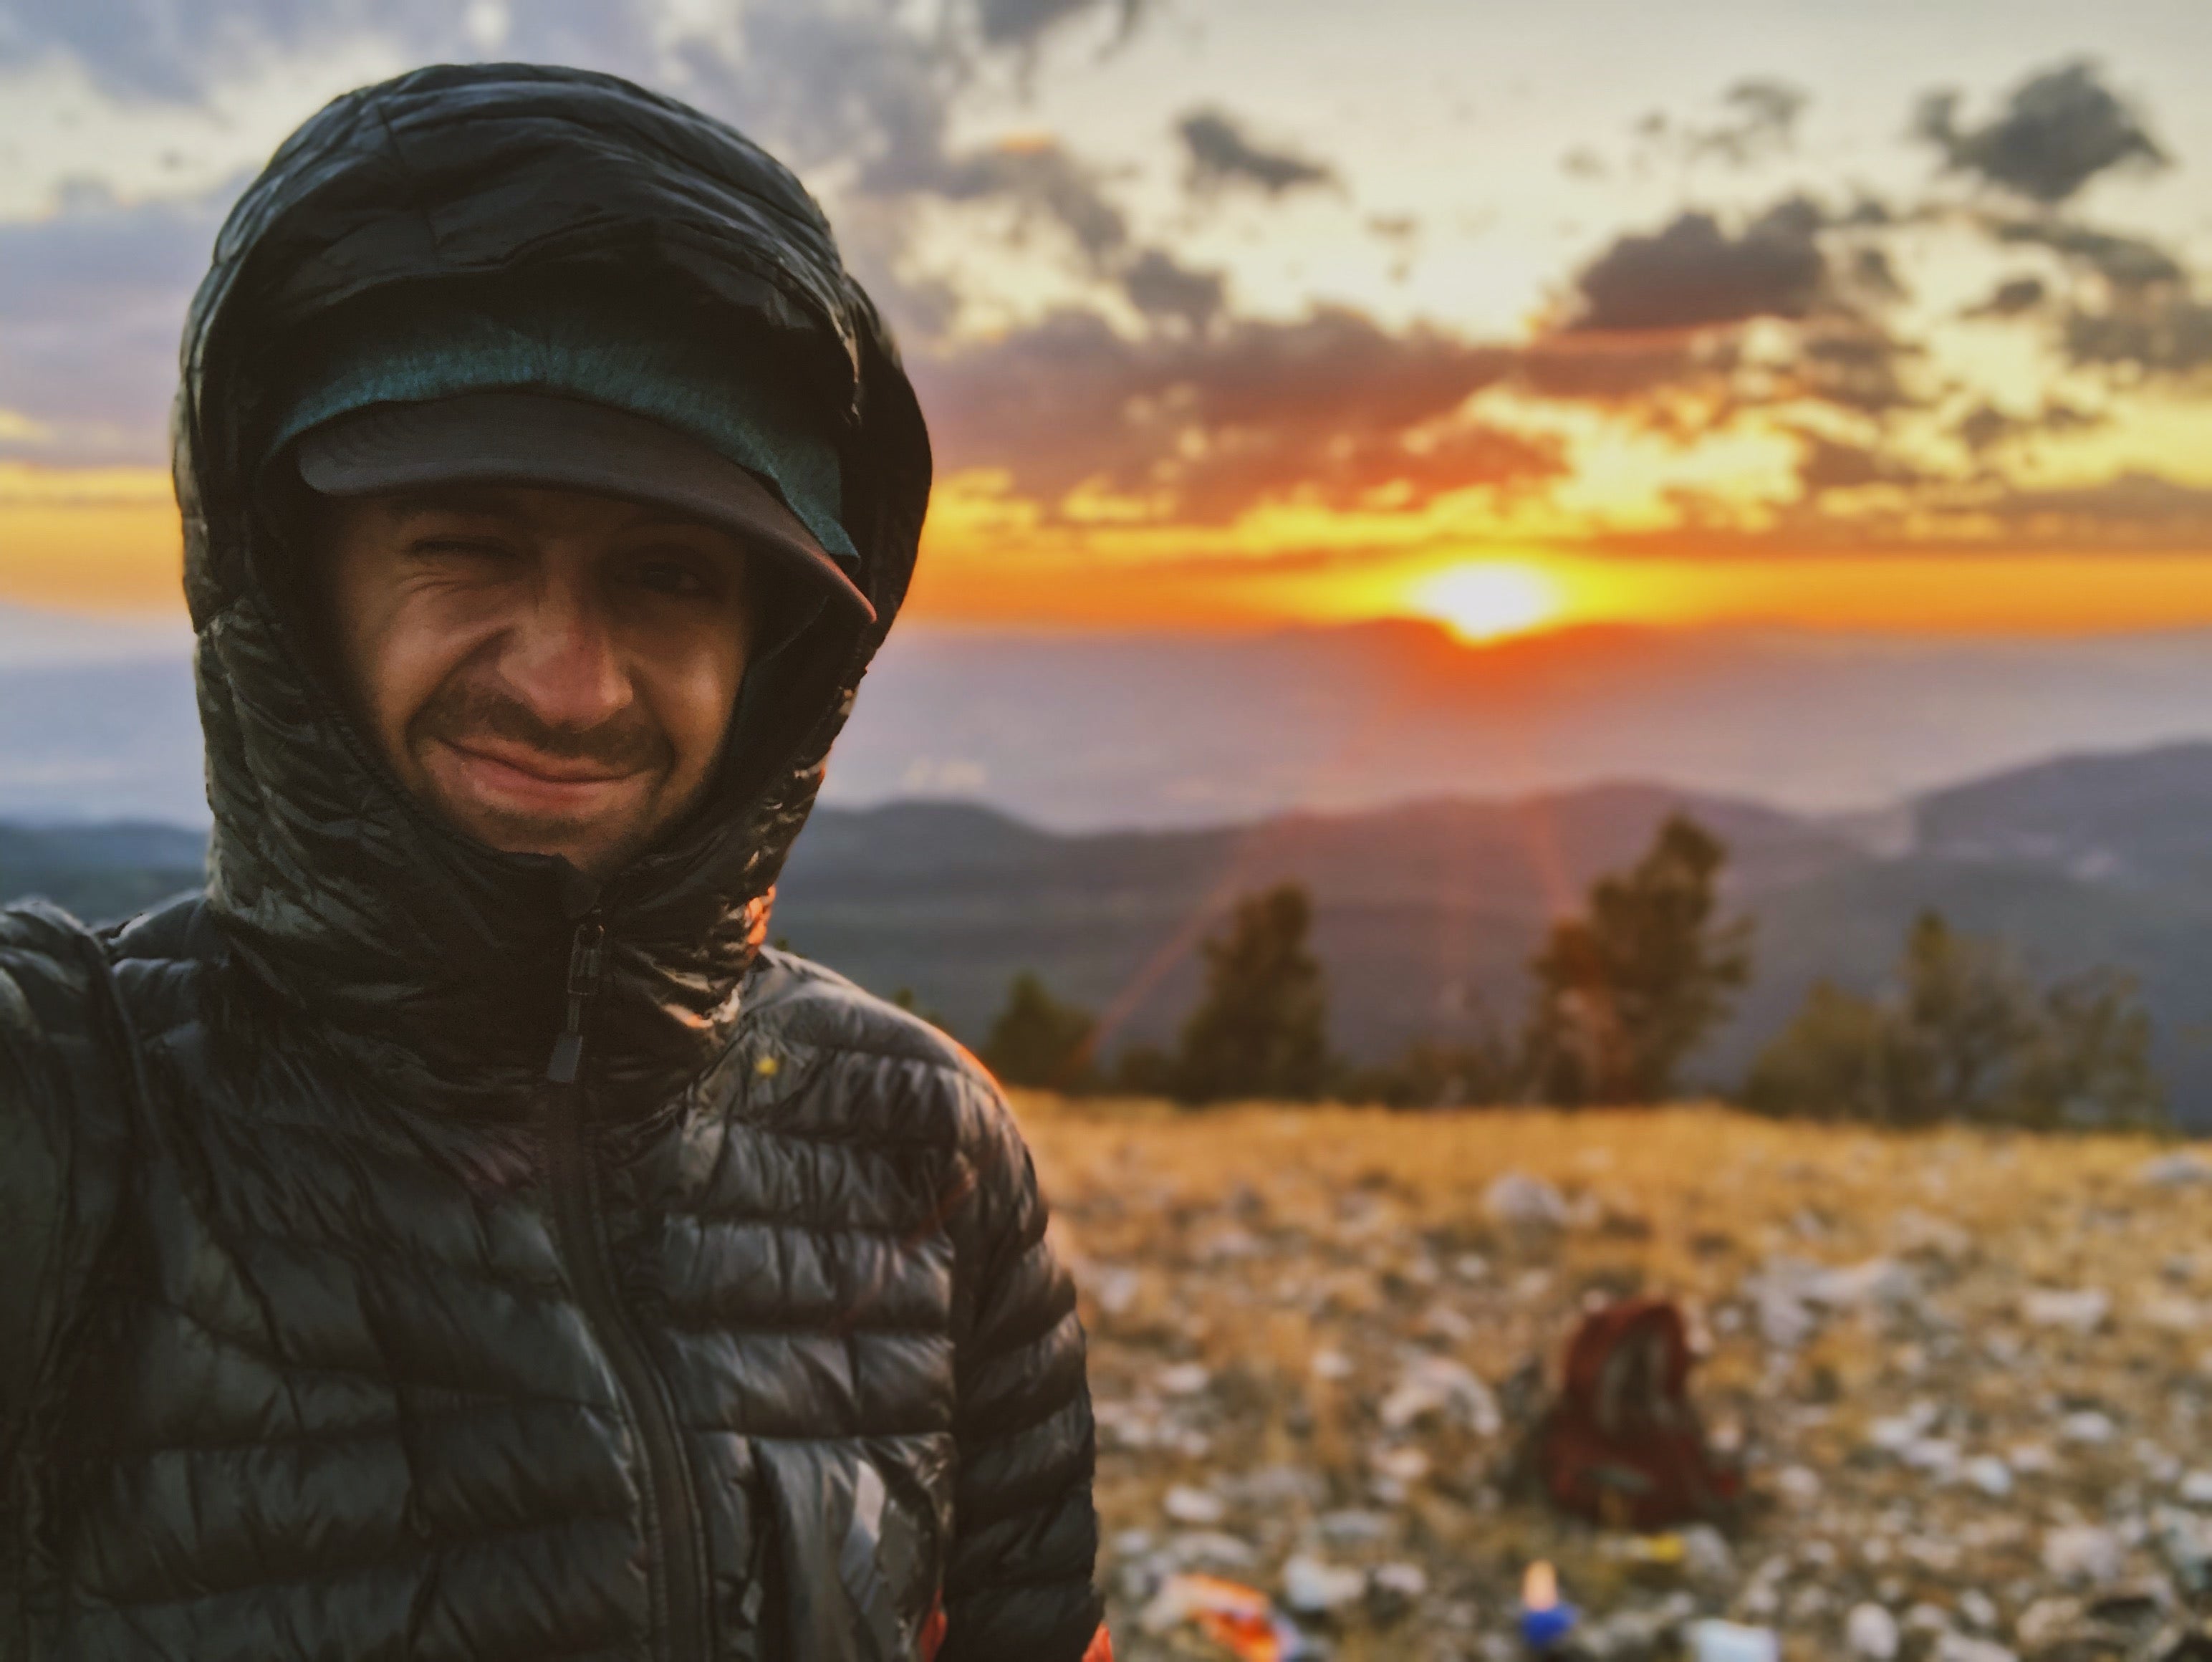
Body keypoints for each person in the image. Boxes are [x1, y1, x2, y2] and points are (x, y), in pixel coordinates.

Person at [0, 63, 1105, 1662]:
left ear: (774, 653)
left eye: (666, 575)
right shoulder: (62, 1108)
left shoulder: (924, 1153)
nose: (570, 679)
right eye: (467, 540)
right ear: (296, 585)